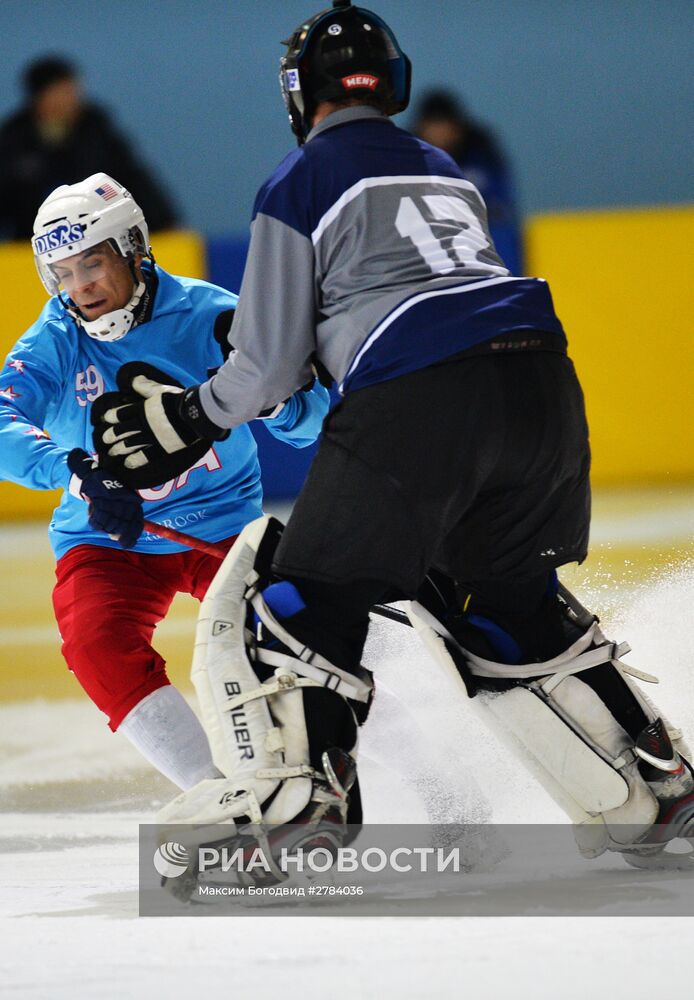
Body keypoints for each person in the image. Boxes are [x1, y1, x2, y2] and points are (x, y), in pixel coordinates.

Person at [94, 1, 694, 869]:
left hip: (421, 396)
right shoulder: (445, 168)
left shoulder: (298, 178)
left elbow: (265, 369)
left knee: (288, 605)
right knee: (503, 603)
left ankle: (301, 811)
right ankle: (656, 781)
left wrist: (188, 418)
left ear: (299, 94)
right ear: (394, 81)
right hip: (542, 388)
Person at [0, 172, 329, 791]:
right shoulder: (55, 337)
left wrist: (272, 394)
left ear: (132, 248)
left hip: (224, 528)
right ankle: (218, 796)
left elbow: (309, 425)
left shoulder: (212, 315)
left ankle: (383, 773)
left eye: (91, 264)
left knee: (301, 634)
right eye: (62, 273)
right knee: (96, 644)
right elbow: (0, 419)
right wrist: (74, 473)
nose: (79, 288)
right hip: (108, 539)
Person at [0, 56, 178, 241]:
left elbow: (132, 178)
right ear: (40, 97)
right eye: (61, 91)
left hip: (99, 234)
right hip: (35, 242)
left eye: (73, 90)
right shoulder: (14, 140)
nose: (71, 99)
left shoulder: (97, 130)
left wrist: (165, 222)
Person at [411, 88, 523, 276]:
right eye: (434, 125)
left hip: (479, 233)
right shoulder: (410, 157)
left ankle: (504, 283)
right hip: (429, 237)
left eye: (444, 125)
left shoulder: (482, 155)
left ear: (458, 129)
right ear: (421, 129)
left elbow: (500, 204)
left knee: (501, 230)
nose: (440, 133)